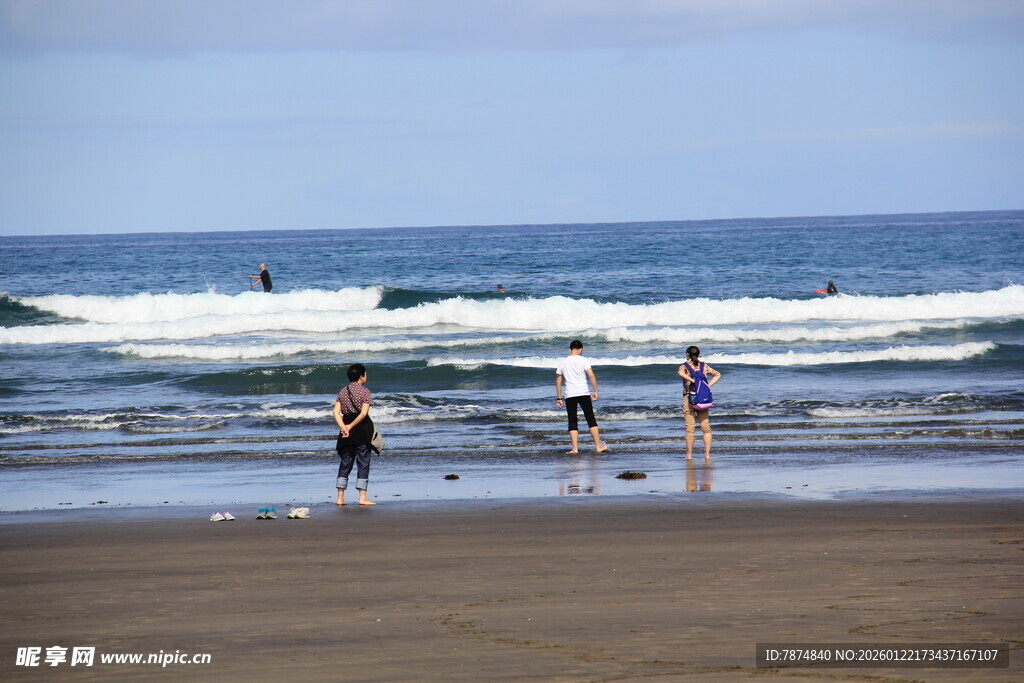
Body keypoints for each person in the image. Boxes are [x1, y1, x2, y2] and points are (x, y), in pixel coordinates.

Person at [332, 363, 376, 506]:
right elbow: (363, 413)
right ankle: (362, 497)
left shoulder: (342, 392)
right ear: (361, 376)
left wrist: (344, 427)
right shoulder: (365, 392)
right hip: (361, 429)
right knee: (363, 462)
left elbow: (335, 412)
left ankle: (340, 497)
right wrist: (351, 426)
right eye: (366, 374)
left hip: (345, 430)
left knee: (345, 463)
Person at [555, 340, 609, 454]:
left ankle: (575, 449)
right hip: (583, 392)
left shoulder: (563, 361)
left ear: (570, 349)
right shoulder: (584, 359)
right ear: (581, 349)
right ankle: (598, 446)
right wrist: (595, 391)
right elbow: (591, 375)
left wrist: (559, 398)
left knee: (572, 420)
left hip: (570, 394)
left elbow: (558, 380)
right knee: (590, 418)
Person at [677, 345, 721, 461]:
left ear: (687, 355)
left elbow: (680, 373)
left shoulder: (684, 366)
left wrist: (692, 381)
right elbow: (717, 374)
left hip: (689, 398)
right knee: (706, 427)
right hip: (703, 398)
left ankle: (689, 455)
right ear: (698, 354)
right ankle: (707, 454)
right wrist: (708, 385)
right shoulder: (704, 366)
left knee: (690, 428)